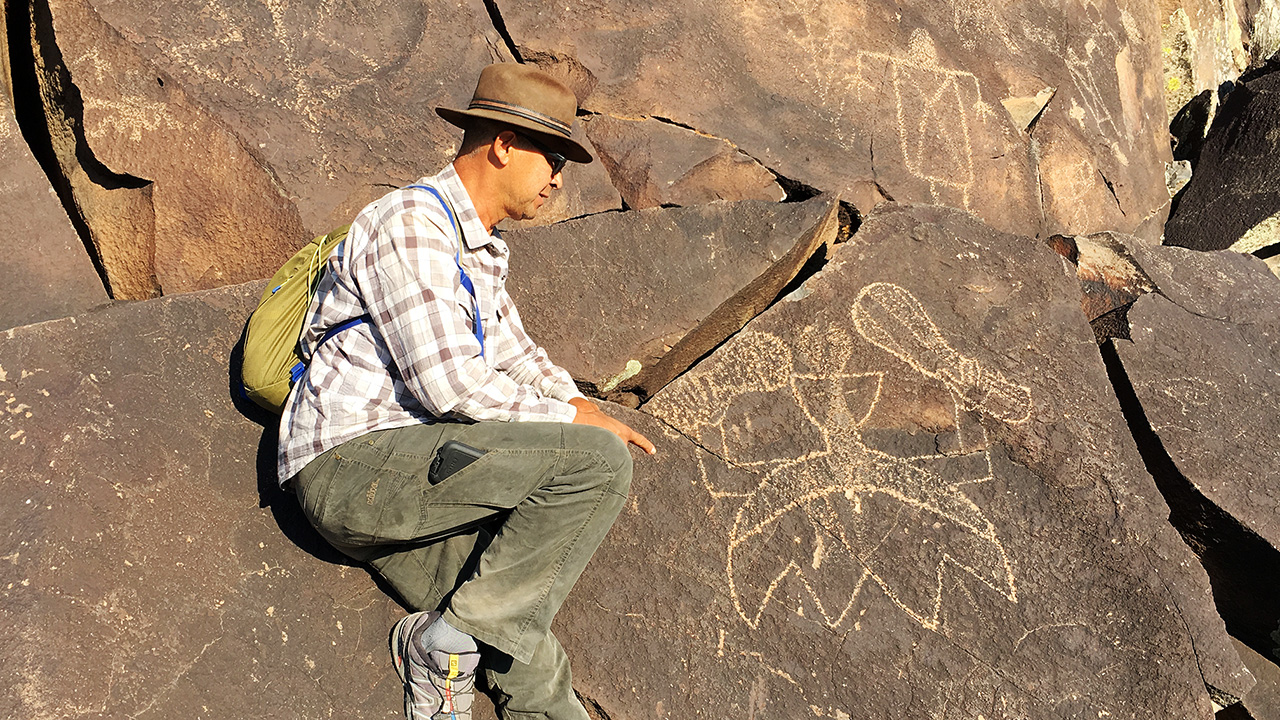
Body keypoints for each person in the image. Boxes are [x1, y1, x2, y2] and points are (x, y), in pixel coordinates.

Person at [277, 63, 655, 720]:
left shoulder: (478, 250)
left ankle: (443, 651)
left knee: (515, 633)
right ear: (503, 144)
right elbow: (449, 385)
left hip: (413, 488)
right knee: (595, 464)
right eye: (553, 156)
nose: (559, 178)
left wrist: (581, 405)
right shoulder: (411, 224)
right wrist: (578, 428)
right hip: (352, 465)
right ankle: (440, 647)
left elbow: (515, 354)